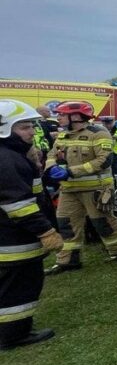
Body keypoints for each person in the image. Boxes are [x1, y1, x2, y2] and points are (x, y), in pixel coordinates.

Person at [0, 99, 63, 350]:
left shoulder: (14, 155)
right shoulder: (6, 160)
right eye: (24, 127)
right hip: (13, 238)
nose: (32, 132)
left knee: (16, 285)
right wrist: (45, 231)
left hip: (14, 234)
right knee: (18, 287)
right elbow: (19, 205)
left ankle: (13, 331)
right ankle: (13, 335)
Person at [43, 101, 117, 274]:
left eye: (61, 114)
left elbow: (104, 160)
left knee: (102, 222)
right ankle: (68, 260)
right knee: (66, 223)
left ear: (75, 116)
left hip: (95, 188)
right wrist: (51, 166)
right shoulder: (63, 135)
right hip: (69, 189)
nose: (58, 117)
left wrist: (71, 171)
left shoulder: (99, 133)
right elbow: (52, 154)